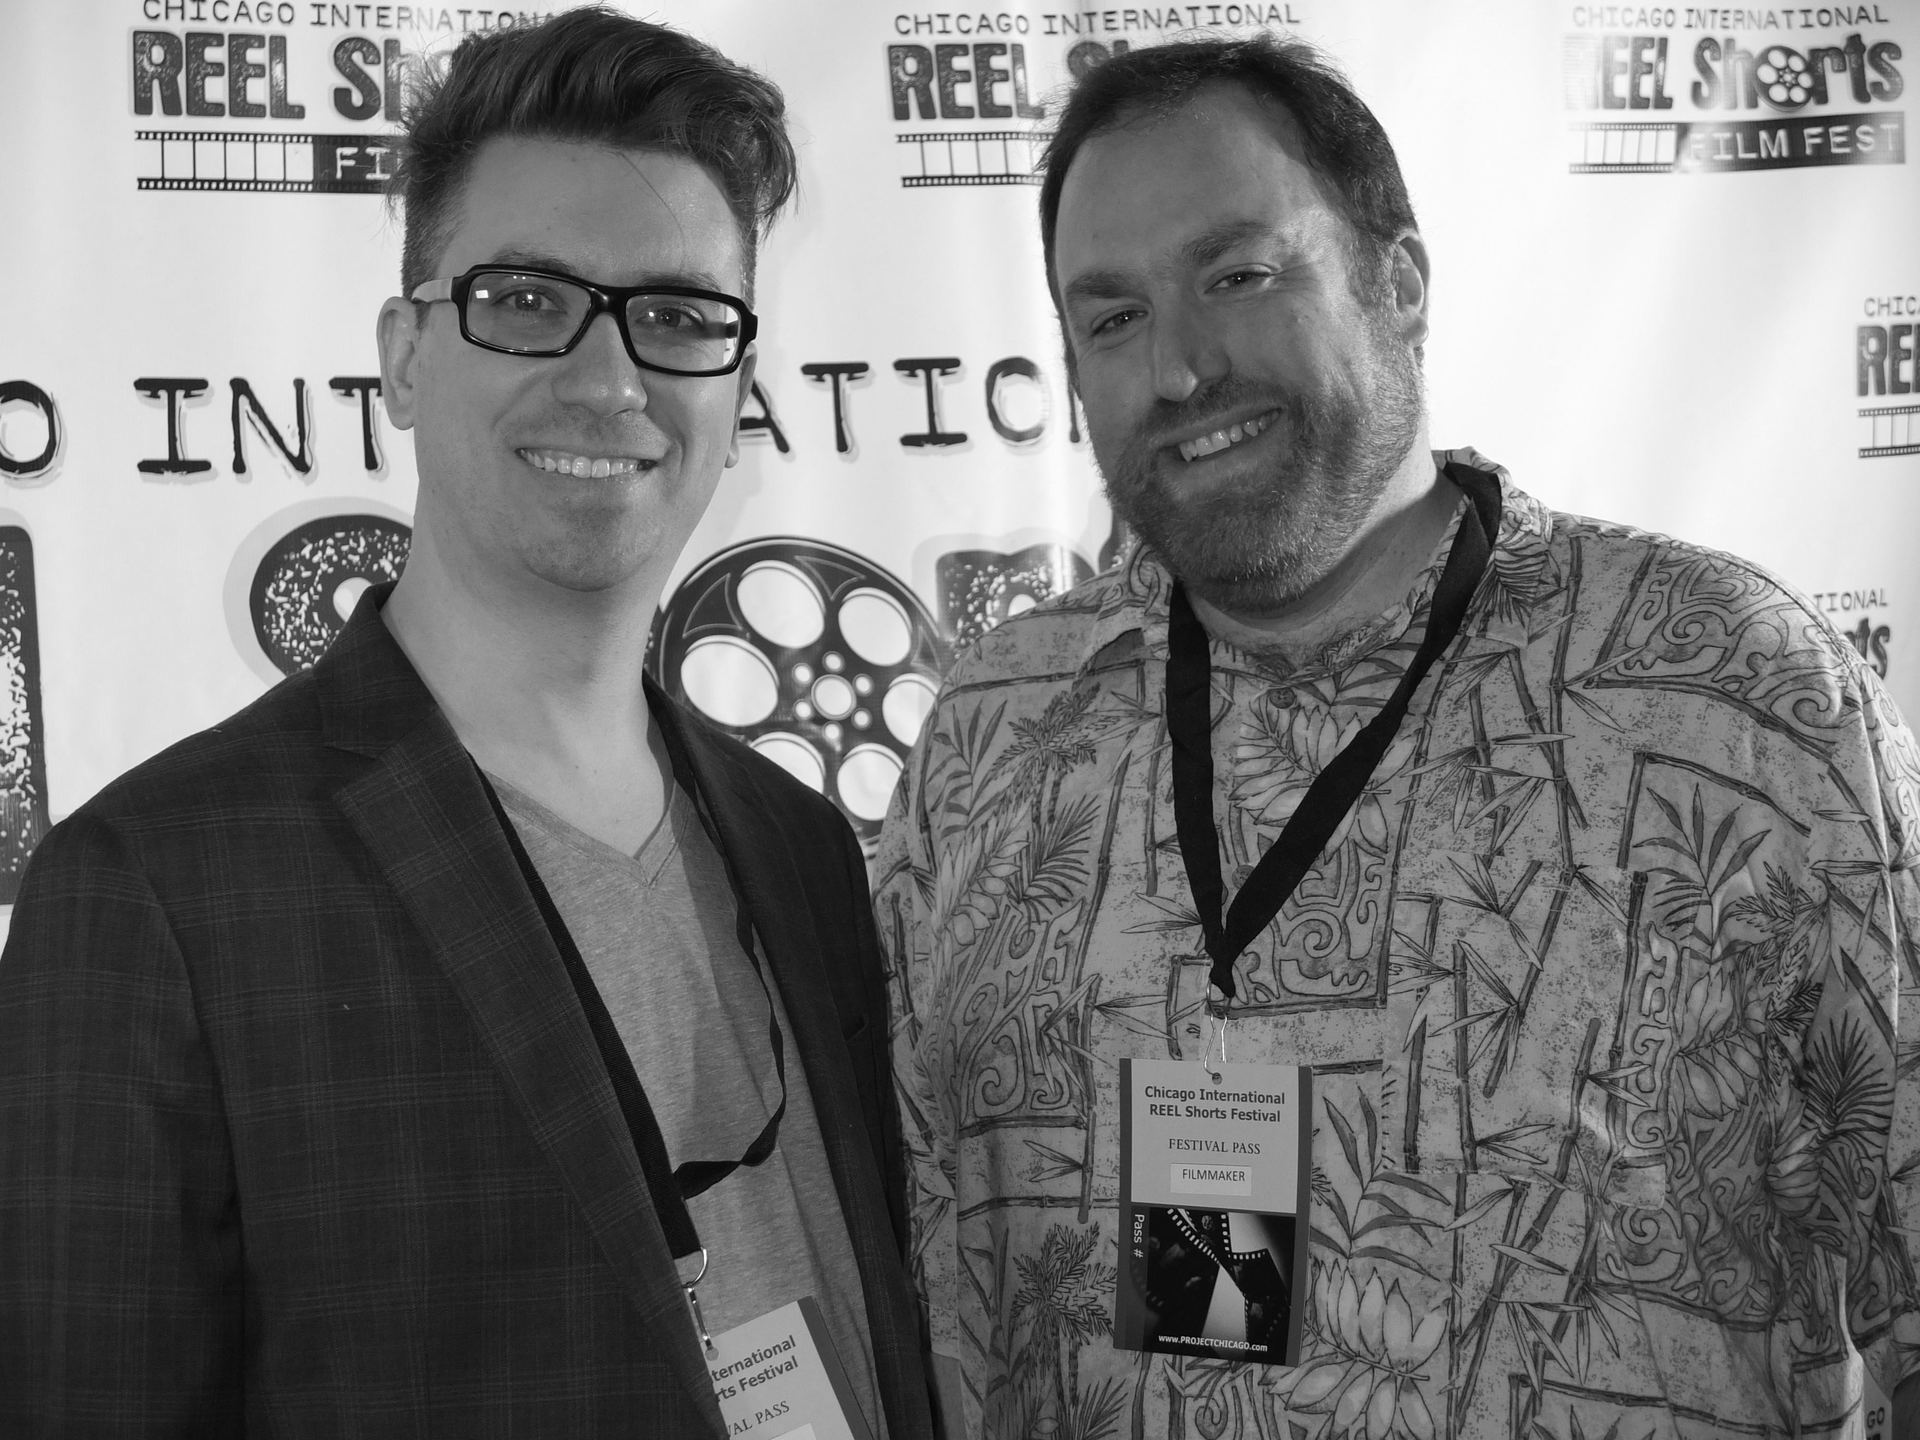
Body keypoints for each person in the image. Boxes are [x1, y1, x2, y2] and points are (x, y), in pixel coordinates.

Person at [875, 30, 1920, 1440]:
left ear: (1401, 284)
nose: (1181, 369)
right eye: (1111, 317)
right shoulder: (994, 735)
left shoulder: (1731, 696)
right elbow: (908, 1248)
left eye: (1241, 275)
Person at [0, 10, 933, 1436]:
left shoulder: (806, 847)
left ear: (741, 388)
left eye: (678, 314)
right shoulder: (155, 896)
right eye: (526, 296)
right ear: (404, 353)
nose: (609, 376)